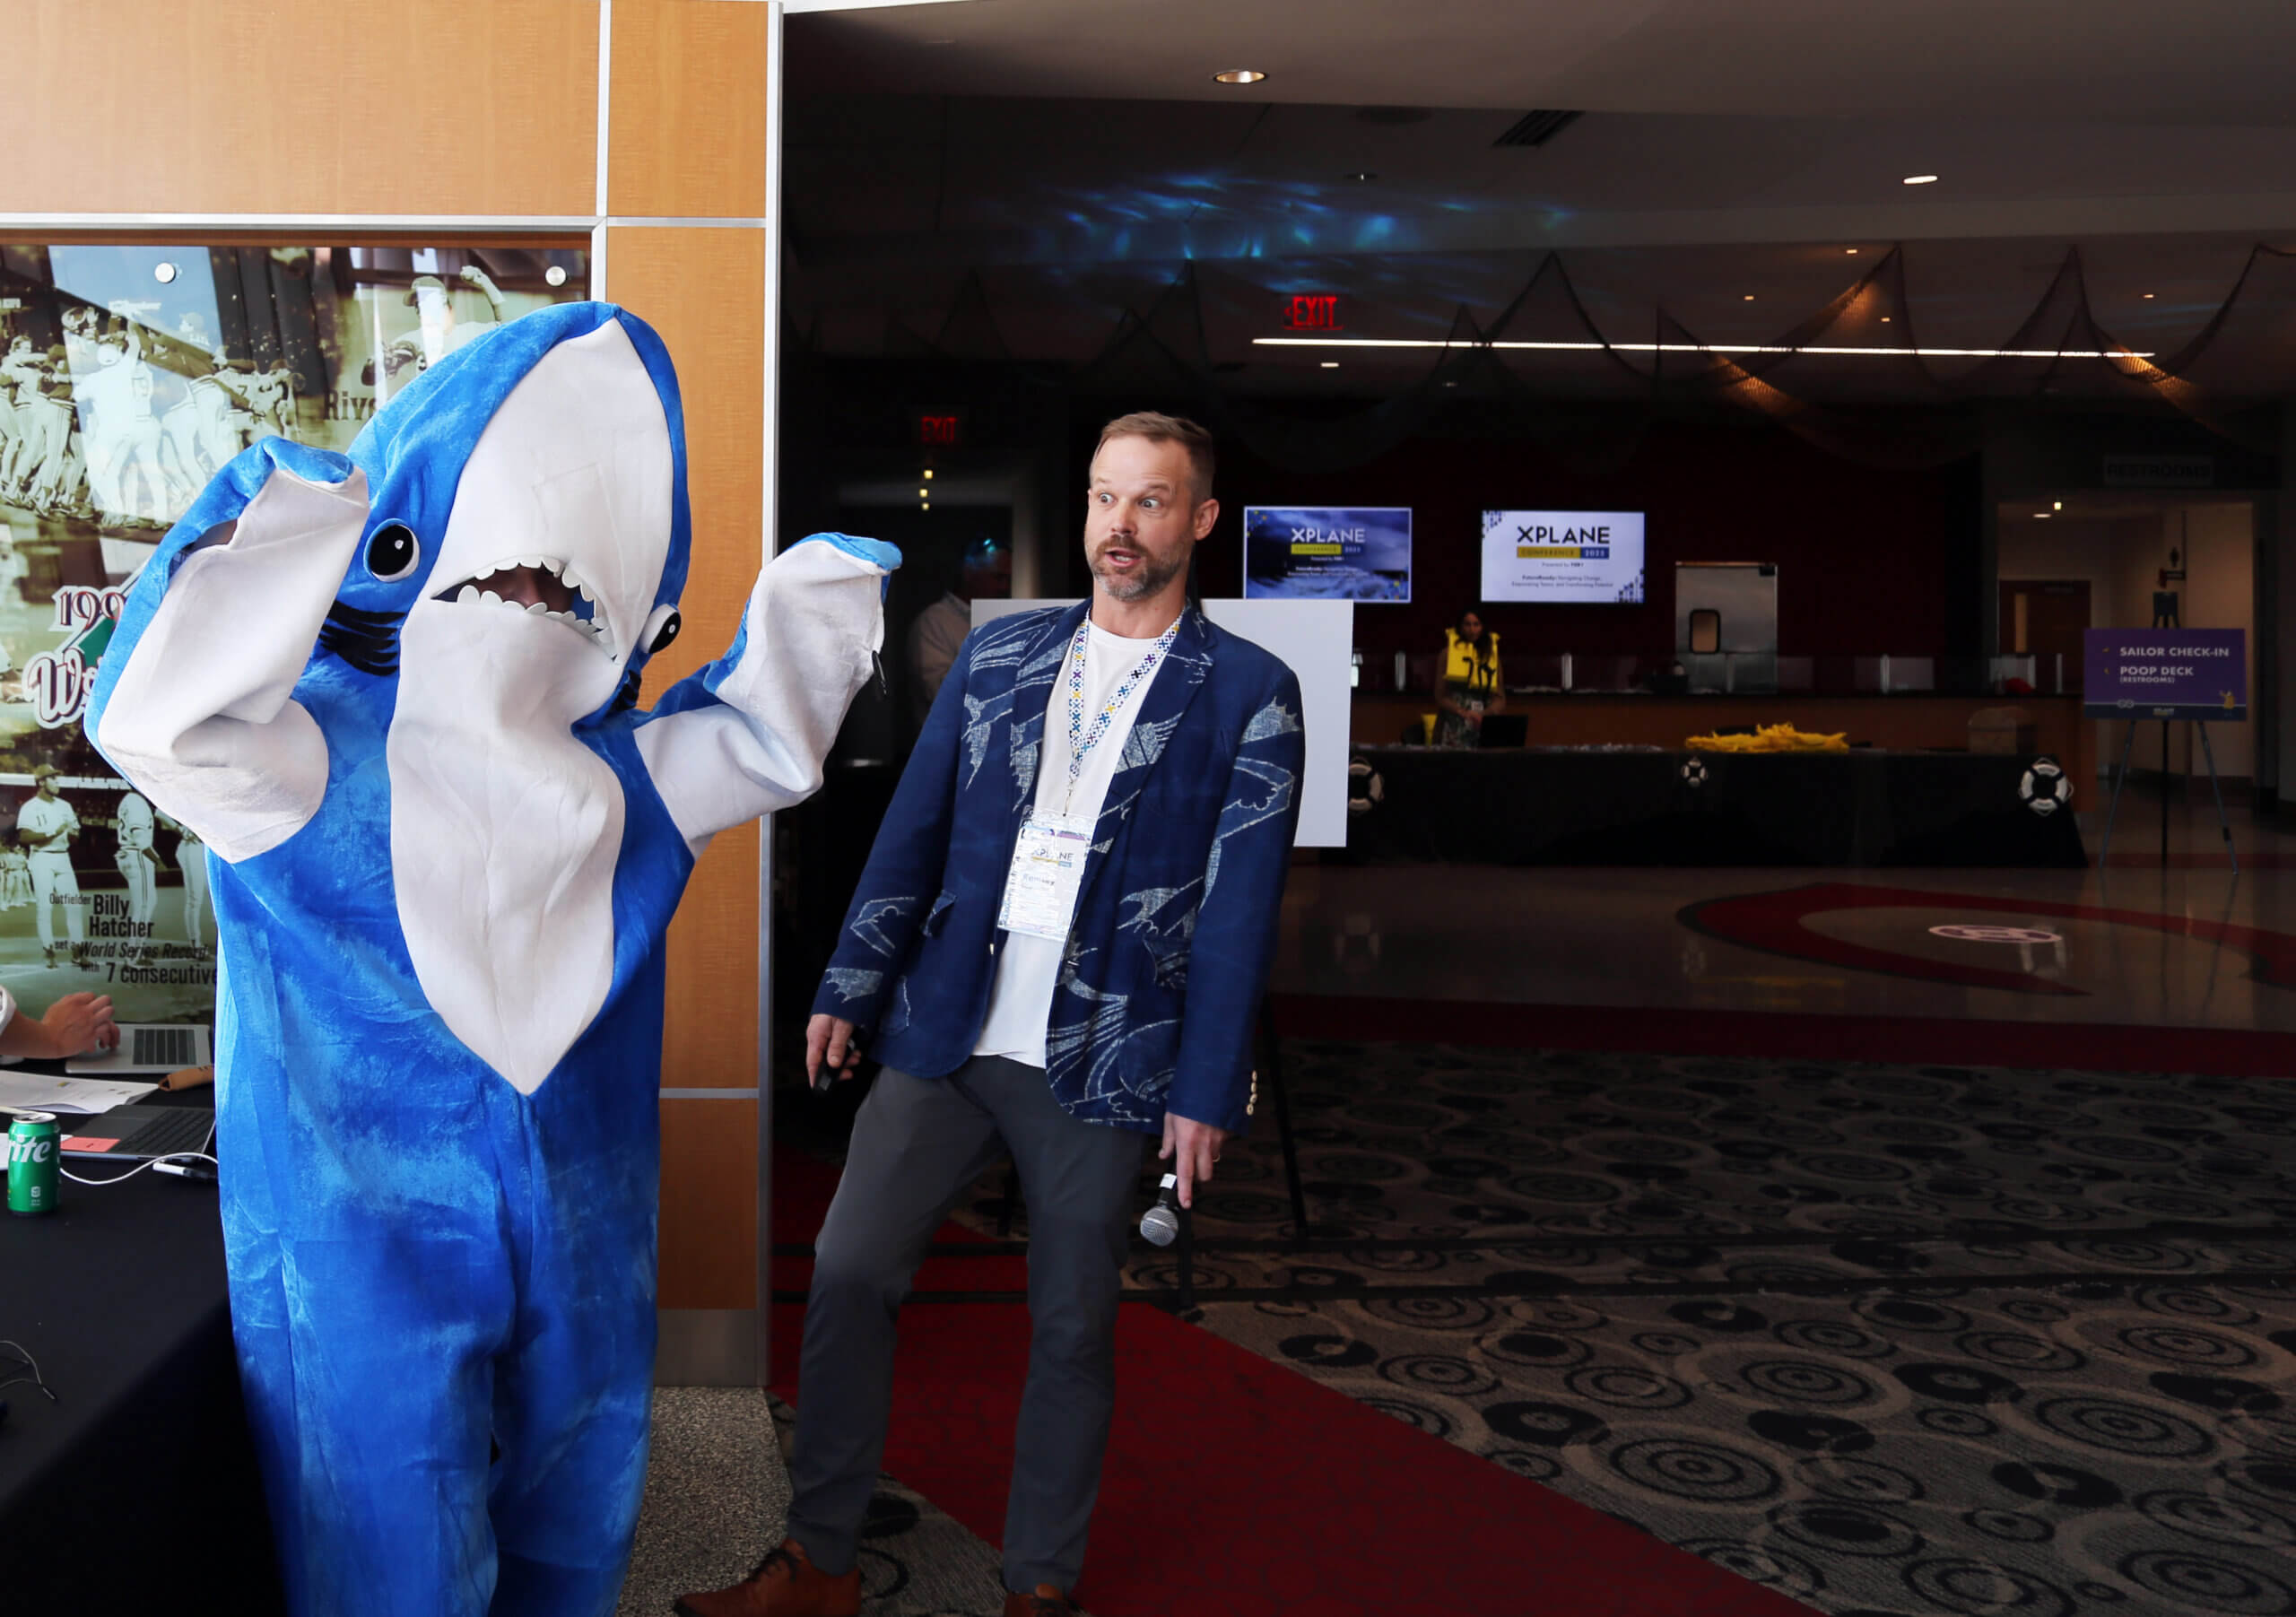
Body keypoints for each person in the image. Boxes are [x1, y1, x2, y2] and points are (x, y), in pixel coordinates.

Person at [90, 303, 894, 1617]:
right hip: (360, 1220)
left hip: (583, 1204)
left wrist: (809, 625)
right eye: (500, 570)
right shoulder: (309, 754)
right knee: (386, 1526)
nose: (530, 606)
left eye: (574, 595)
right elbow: (158, 718)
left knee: (582, 1489)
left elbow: (756, 742)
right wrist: (286, 525)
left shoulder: (620, 774)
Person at [681, 413, 1304, 1617]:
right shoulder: (1001, 658)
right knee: (852, 1267)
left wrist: (1203, 1085)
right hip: (951, 1026)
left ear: (1201, 520)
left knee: (1071, 1320)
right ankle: (820, 1561)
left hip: (1106, 1051)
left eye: (1151, 502)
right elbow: (913, 828)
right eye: (1103, 497)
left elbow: (1239, 908)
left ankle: (1039, 1584)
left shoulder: (1247, 693)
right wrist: (851, 981)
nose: (1119, 527)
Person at [907, 535, 1012, 713]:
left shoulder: (1001, 619)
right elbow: (939, 692)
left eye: (1008, 579)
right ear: (969, 573)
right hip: (949, 739)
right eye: (998, 577)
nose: (1004, 587)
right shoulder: (935, 621)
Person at [18, 764, 87, 969]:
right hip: (41, 859)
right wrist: (53, 832)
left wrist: (74, 833)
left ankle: (78, 951)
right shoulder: (30, 807)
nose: (58, 782)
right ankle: (48, 950)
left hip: (63, 857)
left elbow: (75, 836)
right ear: (41, 782)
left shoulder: (64, 806)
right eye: (53, 778)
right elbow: (24, 836)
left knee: (74, 904)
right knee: (45, 906)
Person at [1434, 607, 1503, 747]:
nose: (1472, 630)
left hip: (1482, 722)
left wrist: (1484, 714)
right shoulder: (1446, 654)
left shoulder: (1492, 656)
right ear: (1460, 627)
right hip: (1454, 722)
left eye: (1476, 624)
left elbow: (1500, 698)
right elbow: (1440, 695)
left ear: (1483, 627)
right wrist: (1462, 712)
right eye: (1467, 624)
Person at [112, 788, 160, 959]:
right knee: (144, 906)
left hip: (128, 853)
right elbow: (139, 837)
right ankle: (134, 954)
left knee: (144, 905)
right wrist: (158, 860)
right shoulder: (137, 802)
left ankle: (135, 951)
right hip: (138, 855)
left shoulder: (128, 799)